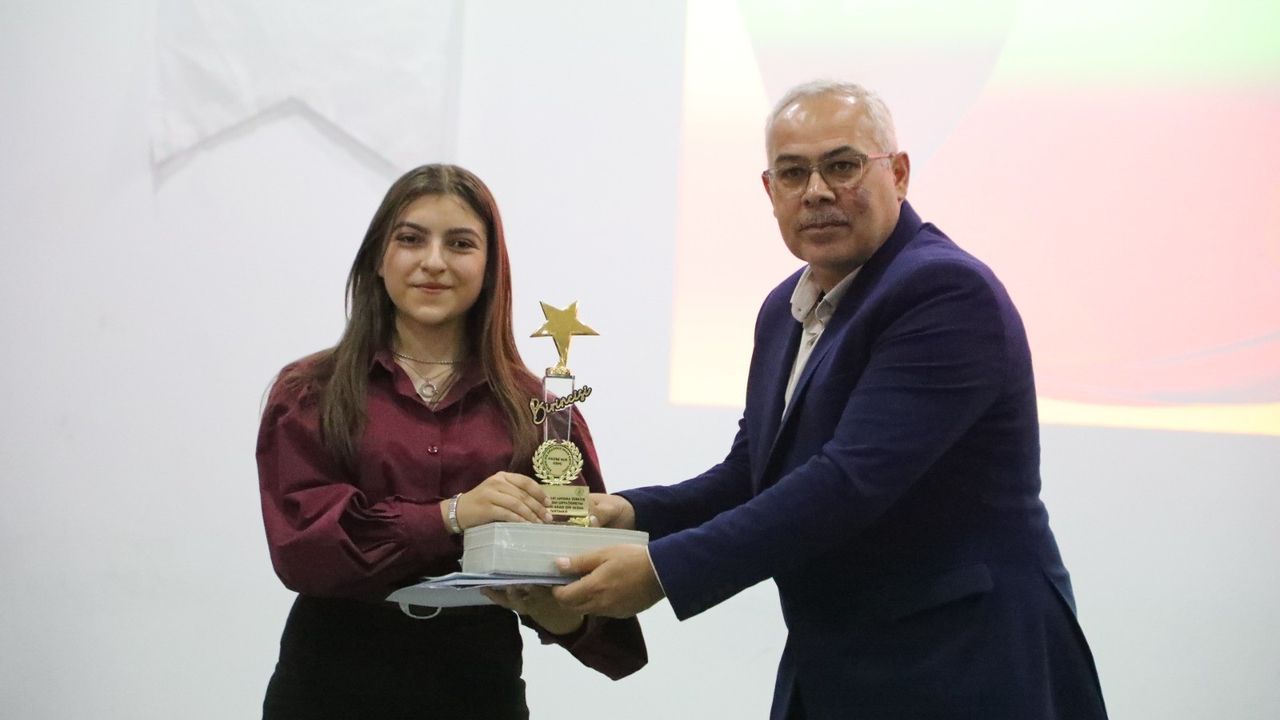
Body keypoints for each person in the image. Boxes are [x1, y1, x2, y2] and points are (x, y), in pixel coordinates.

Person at [553, 81, 1108, 718]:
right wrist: (630, 514)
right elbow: (752, 473)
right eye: (793, 173)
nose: (815, 191)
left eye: (842, 166)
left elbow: (850, 482)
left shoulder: (945, 291)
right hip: (835, 663)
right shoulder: (783, 309)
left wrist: (661, 571)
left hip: (963, 664)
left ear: (899, 174)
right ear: (770, 191)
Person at [256, 164, 646, 719]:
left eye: (460, 243)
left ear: (490, 267)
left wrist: (563, 613)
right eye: (411, 239)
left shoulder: (540, 410)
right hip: (329, 679)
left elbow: (588, 576)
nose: (434, 261)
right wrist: (453, 514)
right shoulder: (309, 392)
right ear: (378, 258)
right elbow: (303, 549)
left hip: (477, 681)